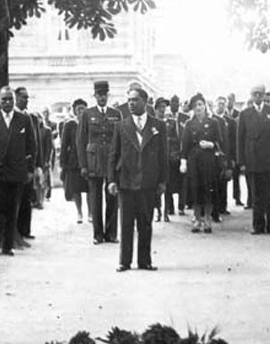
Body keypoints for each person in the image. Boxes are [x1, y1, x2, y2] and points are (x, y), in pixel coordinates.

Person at [107, 86, 167, 271]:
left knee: (145, 223)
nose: (131, 104)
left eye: (135, 100)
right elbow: (113, 155)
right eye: (129, 100)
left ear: (145, 102)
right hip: (126, 181)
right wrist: (112, 180)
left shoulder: (158, 126)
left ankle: (144, 261)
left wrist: (162, 181)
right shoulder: (121, 126)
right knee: (125, 224)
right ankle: (124, 261)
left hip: (148, 182)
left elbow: (163, 156)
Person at [0, 86, 36, 257]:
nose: (8, 102)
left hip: (17, 172)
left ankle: (8, 246)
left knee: (12, 210)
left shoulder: (24, 119)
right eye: (4, 99)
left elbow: (31, 146)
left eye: (10, 99)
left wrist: (30, 169)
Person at [237, 84, 270, 235]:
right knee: (257, 196)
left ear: (265, 95)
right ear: (251, 96)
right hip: (254, 160)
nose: (258, 97)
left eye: (260, 94)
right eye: (255, 94)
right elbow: (240, 140)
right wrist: (242, 162)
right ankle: (258, 226)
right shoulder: (245, 114)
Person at [77, 80, 121, 244]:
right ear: (94, 96)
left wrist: (120, 162)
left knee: (112, 196)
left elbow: (121, 139)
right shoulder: (87, 114)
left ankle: (111, 234)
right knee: (95, 198)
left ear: (108, 95)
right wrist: (83, 165)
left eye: (104, 95)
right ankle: (98, 235)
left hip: (111, 160)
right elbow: (81, 141)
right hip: (93, 161)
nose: (102, 98)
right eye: (99, 95)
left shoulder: (116, 114)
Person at [180, 93, 224, 233]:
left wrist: (211, 144)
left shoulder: (213, 123)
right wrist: (183, 161)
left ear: (205, 106)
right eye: (195, 106)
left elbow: (219, 141)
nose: (198, 108)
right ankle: (197, 219)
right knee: (195, 190)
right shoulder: (189, 124)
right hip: (194, 160)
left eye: (200, 104)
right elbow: (185, 144)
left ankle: (208, 220)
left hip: (209, 160)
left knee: (208, 189)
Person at [14, 86, 42, 243]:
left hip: (28, 164)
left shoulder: (32, 118)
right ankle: (16, 231)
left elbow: (35, 143)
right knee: (16, 199)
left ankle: (25, 230)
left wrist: (37, 165)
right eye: (23, 97)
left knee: (27, 198)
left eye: (27, 97)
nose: (26, 100)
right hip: (16, 164)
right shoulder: (13, 116)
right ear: (17, 98)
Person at [59, 98, 90, 223]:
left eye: (83, 109)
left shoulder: (91, 123)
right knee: (76, 189)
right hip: (74, 162)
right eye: (78, 109)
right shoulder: (69, 125)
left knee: (90, 188)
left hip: (89, 160)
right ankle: (79, 213)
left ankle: (91, 213)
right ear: (74, 111)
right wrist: (63, 163)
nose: (81, 111)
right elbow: (64, 144)